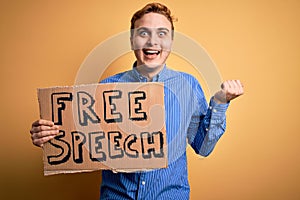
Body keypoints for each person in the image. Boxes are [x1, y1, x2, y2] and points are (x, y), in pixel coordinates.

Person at [30, 2, 244, 199]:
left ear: (170, 42)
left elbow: (203, 147)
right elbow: (80, 139)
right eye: (143, 33)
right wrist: (51, 136)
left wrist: (219, 103)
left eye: (162, 34)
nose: (152, 41)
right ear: (132, 40)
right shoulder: (104, 90)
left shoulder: (188, 87)